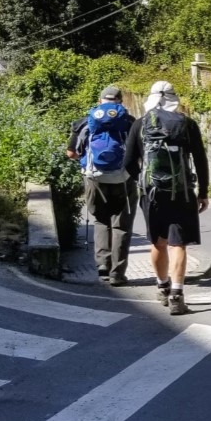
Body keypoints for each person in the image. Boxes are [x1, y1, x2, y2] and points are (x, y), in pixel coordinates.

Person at [123, 81, 209, 315]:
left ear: (150, 99)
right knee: (177, 243)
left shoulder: (140, 124)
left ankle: (162, 287)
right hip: (181, 193)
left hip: (152, 194)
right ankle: (177, 296)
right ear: (174, 99)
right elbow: (200, 160)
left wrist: (142, 179)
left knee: (157, 242)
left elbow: (128, 162)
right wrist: (203, 192)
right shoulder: (186, 124)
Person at [70, 86, 136, 286]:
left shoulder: (86, 122)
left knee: (100, 220)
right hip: (123, 179)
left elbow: (71, 153)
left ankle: (102, 266)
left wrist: (88, 164)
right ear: (120, 102)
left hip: (94, 178)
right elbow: (139, 152)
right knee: (121, 226)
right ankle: (117, 273)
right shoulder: (130, 122)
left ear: (100, 101)